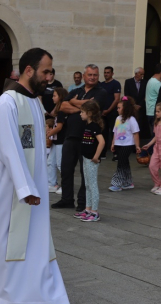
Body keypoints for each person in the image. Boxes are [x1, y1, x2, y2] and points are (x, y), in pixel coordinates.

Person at [0, 48, 70, 304]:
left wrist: (34, 187)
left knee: (37, 246)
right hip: (6, 192)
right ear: (28, 70)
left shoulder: (35, 102)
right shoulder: (7, 103)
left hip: (31, 191)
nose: (50, 77)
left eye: (52, 71)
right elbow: (10, 149)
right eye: (45, 71)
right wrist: (25, 189)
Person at [51, 64, 107, 212]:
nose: (93, 77)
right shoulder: (76, 90)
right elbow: (62, 106)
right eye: (90, 75)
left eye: (95, 75)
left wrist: (74, 103)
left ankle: (83, 202)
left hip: (88, 138)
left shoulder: (101, 91)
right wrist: (82, 106)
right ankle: (67, 199)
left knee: (85, 172)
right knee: (66, 169)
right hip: (70, 136)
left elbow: (94, 106)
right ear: (84, 76)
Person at [74, 101, 105, 222]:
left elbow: (101, 142)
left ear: (90, 113)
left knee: (92, 185)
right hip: (86, 158)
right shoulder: (87, 125)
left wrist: (96, 157)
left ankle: (95, 212)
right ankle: (87, 209)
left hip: (92, 160)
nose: (80, 114)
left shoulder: (94, 126)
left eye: (82, 112)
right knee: (87, 185)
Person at [108, 97, 141, 192]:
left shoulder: (131, 119)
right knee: (124, 163)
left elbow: (136, 133)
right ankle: (128, 182)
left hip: (128, 144)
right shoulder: (118, 118)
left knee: (121, 163)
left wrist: (137, 146)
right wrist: (113, 143)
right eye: (117, 108)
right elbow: (115, 132)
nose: (117, 109)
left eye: (119, 107)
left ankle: (117, 183)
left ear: (125, 108)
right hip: (119, 144)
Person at [47, 87, 68, 193]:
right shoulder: (58, 110)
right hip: (56, 141)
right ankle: (52, 183)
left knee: (60, 163)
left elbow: (59, 127)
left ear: (60, 97)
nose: (52, 98)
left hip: (61, 141)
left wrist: (50, 133)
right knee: (50, 162)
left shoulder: (62, 111)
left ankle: (66, 185)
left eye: (54, 96)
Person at [99, 66, 121, 159]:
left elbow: (116, 99)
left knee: (114, 132)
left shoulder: (116, 84)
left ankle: (115, 153)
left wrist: (108, 110)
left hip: (112, 112)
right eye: (105, 72)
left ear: (112, 73)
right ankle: (102, 153)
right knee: (103, 133)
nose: (106, 74)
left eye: (108, 72)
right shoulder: (101, 84)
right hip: (102, 113)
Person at [145, 63, 161, 134]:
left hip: (150, 111)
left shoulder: (151, 80)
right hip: (155, 112)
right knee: (157, 135)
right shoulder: (157, 83)